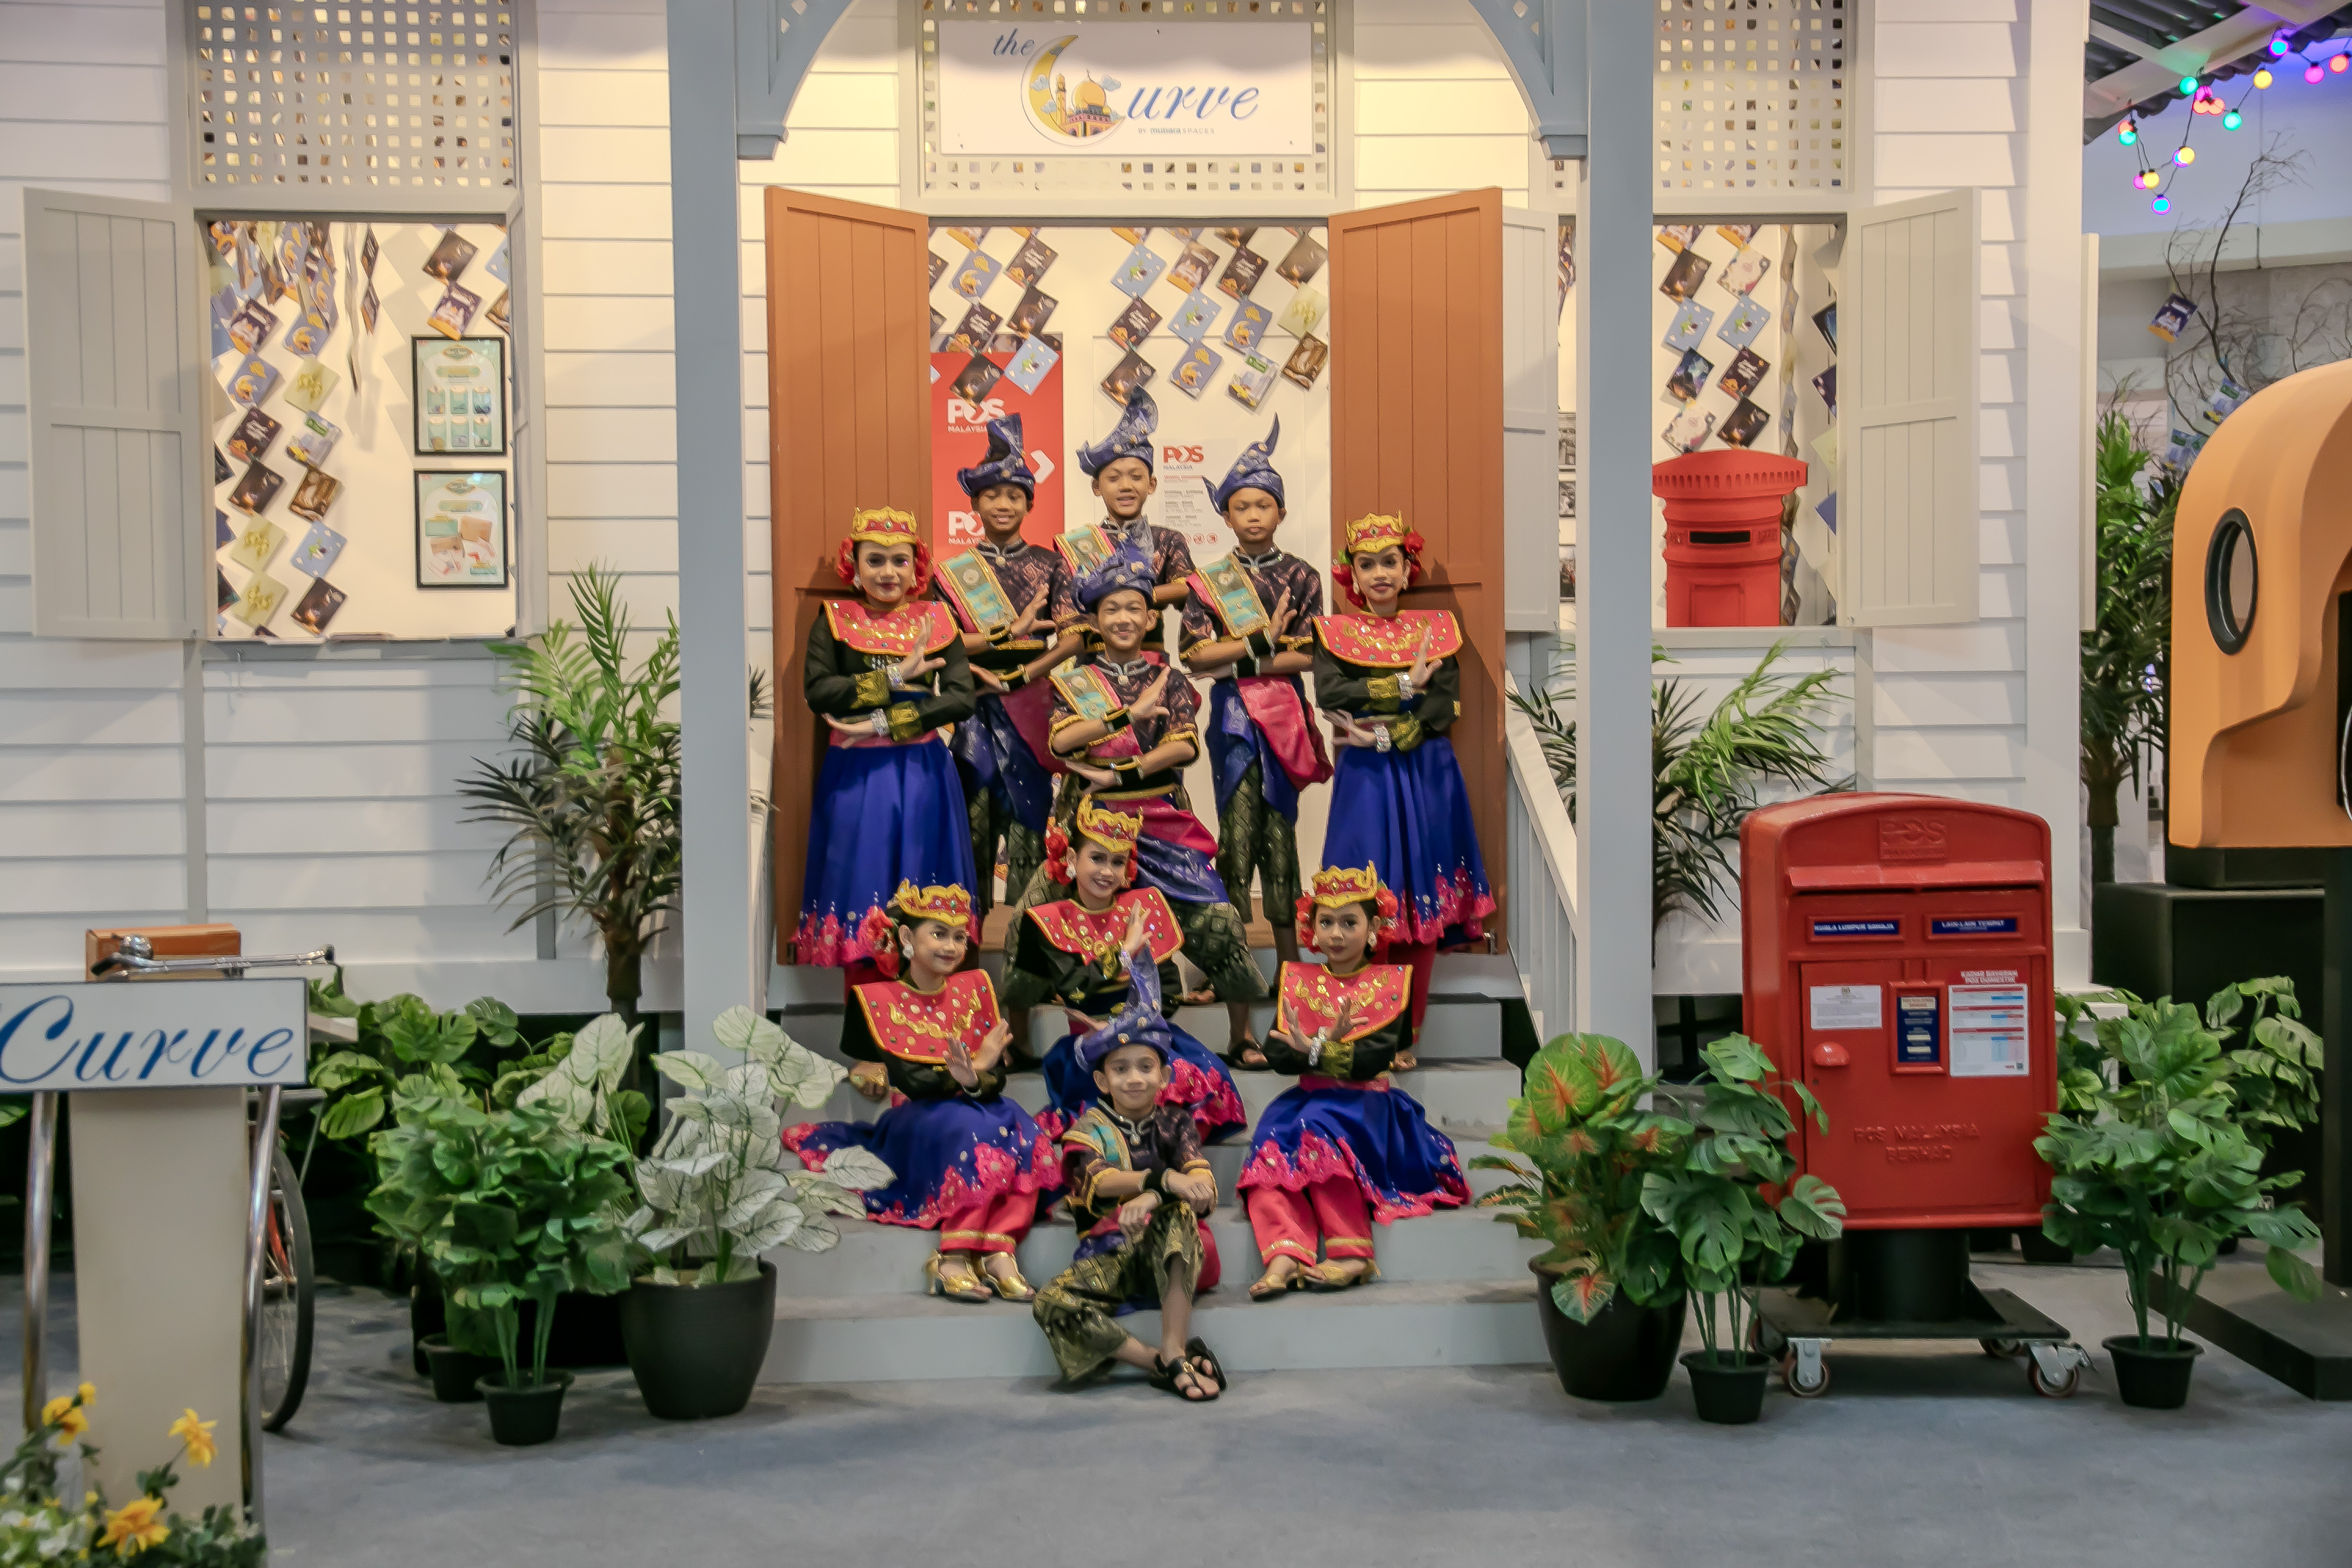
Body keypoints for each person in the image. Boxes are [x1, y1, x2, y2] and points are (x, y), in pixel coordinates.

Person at [782, 881, 1056, 1302]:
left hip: (971, 1106)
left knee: (1021, 1127)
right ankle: (953, 1256)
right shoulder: (880, 1000)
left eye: (959, 937)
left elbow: (995, 1081)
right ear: (908, 937)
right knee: (976, 1135)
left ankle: (1000, 1250)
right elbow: (915, 1082)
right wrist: (977, 1067)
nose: (951, 946)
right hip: (920, 1118)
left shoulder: (974, 991)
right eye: (939, 934)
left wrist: (975, 1077)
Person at [1049, 542, 1271, 1054]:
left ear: (1151, 617)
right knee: (1050, 915)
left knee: (1218, 916)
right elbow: (1061, 743)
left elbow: (1184, 745)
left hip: (1162, 818)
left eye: (1134, 608)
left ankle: (1242, 1034)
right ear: (1094, 620)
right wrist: (1123, 717)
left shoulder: (1169, 679)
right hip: (1097, 825)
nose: (1124, 619)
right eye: (1111, 609)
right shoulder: (1076, 683)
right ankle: (1064, 1034)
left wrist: (1120, 770)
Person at [1238, 864, 1470, 1299]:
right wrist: (1323, 1047)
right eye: (1326, 922)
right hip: (1305, 1102)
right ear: (1311, 928)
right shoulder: (1298, 981)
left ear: (1374, 929)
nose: (1336, 934)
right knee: (1268, 1151)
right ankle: (1284, 1255)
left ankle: (1353, 1254)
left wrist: (1315, 1048)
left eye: (1349, 923)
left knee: (1317, 1136)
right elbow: (1278, 1054)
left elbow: (1372, 1060)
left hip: (1366, 1109)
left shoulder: (1389, 984)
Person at [1312, 512, 1495, 1060]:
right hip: (1365, 779)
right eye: (1367, 565)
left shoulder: (1437, 629)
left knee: (1421, 905)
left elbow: (1444, 705)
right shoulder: (1335, 633)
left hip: (1425, 770)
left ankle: (1405, 1035)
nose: (1380, 574)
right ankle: (1370, 1030)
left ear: (1407, 568)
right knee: (1368, 896)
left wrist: (1386, 733)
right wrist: (1403, 684)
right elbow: (1332, 694)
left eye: (1389, 562)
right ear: (1352, 575)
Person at [1178, 418, 1330, 1069]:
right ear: (1226, 516)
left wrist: (1241, 656)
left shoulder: (1303, 575)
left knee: (1283, 849)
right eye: (1241, 506)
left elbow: (1316, 653)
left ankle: (1294, 998)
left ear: (1281, 511)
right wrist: (1263, 645)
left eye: (1263, 504)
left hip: (1285, 721)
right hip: (1236, 725)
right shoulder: (1209, 581)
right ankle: (1236, 993)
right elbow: (1193, 657)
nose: (1253, 515)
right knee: (1236, 848)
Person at [1032, 933, 1230, 1402]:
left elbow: (1202, 1184)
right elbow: (1098, 1181)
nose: (1135, 1078)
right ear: (1102, 1081)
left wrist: (1157, 1195)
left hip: (1176, 1254)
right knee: (1050, 1302)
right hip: (1111, 1256)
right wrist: (1163, 1179)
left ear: (1165, 1076)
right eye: (1121, 1070)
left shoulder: (1176, 1122)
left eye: (1145, 1067)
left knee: (1178, 1215)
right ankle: (1160, 1362)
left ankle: (1175, 1346)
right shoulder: (1088, 1128)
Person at [999, 795, 1246, 1145]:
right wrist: (1123, 954)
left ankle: (1172, 1160)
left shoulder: (1142, 908)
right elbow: (1075, 989)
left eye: (1117, 862)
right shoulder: (1051, 921)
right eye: (1097, 858)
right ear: (1072, 859)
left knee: (1184, 1079)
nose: (1107, 871)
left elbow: (1170, 990)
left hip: (1146, 1035)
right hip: (1091, 1043)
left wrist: (1134, 1025)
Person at [793, 505, 977, 971]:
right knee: (862, 878)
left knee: (924, 882)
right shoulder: (834, 619)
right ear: (854, 566)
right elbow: (819, 692)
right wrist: (896, 675)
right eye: (875, 560)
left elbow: (961, 699)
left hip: (923, 772)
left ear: (916, 566)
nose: (888, 572)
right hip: (857, 773)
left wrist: (882, 723)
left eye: (900, 560)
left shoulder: (938, 618)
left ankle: (926, 1004)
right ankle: (866, 1006)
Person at [934, 416, 1082, 925]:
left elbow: (1074, 636)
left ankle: (1030, 948)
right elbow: (940, 642)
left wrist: (1025, 674)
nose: (1003, 504)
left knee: (1030, 826)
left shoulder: (1052, 564)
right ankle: (966, 948)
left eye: (1015, 495)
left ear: (1030, 504)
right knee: (972, 825)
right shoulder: (950, 573)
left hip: (1033, 707)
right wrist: (991, 653)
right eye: (992, 495)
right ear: (974, 504)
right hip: (972, 705)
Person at [1060, 386, 1193, 653]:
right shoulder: (1077, 544)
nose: (1125, 486)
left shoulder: (1167, 539)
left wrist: (1131, 589)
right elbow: (1069, 608)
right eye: (1114, 478)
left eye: (1136, 476)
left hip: (1151, 659)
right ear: (1097, 487)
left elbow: (1188, 589)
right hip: (1094, 665)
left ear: (1152, 484)